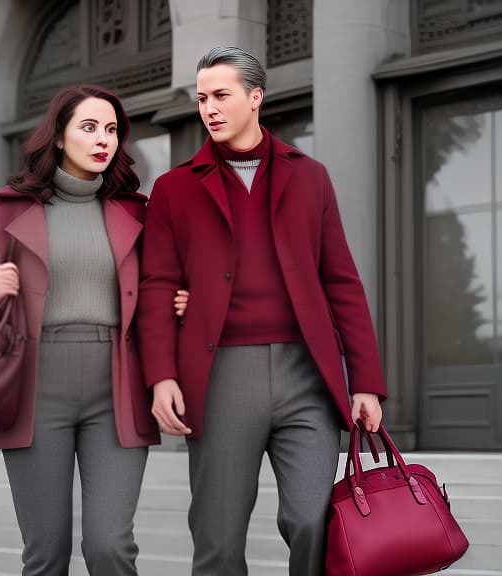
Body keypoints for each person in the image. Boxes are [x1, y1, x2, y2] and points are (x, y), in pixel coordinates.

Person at [136, 47, 388, 576]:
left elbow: (341, 281)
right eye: (203, 98)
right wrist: (161, 375)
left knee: (312, 522)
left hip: (308, 377)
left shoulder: (310, 176)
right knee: (218, 535)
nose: (210, 108)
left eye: (221, 95)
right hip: (222, 372)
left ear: (256, 98)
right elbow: (157, 285)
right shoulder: (173, 188)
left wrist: (364, 381)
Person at [0, 84, 187, 576]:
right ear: (59, 137)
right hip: (35, 387)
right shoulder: (12, 208)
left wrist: (180, 304)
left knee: (110, 547)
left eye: (111, 130)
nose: (103, 139)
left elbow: (155, 288)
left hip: (118, 383)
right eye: (89, 127)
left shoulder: (135, 211)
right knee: (45, 554)